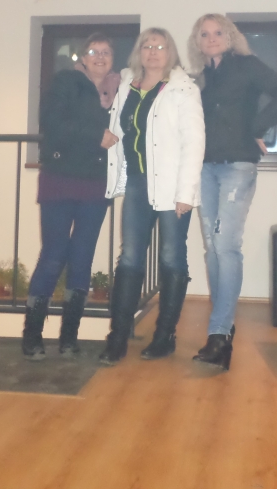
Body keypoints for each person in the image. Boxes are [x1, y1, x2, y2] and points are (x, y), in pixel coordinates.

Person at [187, 14, 277, 370]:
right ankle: (223, 331)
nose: (212, 38)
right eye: (204, 34)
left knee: (226, 245)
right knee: (212, 247)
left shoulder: (248, 66)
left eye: (218, 32)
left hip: (237, 165)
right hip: (204, 167)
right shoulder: (198, 79)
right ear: (197, 42)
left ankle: (218, 332)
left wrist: (257, 126)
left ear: (231, 36)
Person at [98, 28, 205, 365]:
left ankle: (164, 336)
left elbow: (194, 143)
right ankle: (117, 337)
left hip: (173, 187)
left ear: (170, 52)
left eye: (160, 46)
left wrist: (186, 193)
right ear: (139, 51)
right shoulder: (127, 85)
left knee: (172, 258)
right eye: (147, 46)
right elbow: (120, 129)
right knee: (130, 258)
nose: (153, 51)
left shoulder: (183, 89)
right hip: (137, 183)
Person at [22, 32, 120, 359]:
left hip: (96, 183)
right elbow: (51, 122)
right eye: (94, 51)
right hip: (60, 179)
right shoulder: (66, 81)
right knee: (53, 255)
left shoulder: (119, 91)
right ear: (82, 58)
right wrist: (95, 135)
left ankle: (69, 339)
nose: (100, 57)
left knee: (82, 257)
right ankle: (32, 336)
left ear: (112, 60)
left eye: (106, 52)